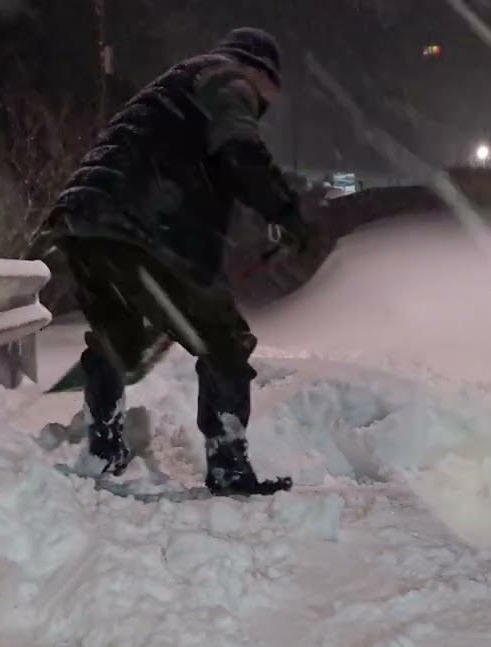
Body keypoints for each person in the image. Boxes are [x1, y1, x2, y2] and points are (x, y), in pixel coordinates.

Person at [37, 28, 316, 497]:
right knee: (224, 341)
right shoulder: (229, 80)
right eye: (270, 92)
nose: (266, 104)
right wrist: (287, 212)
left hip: (82, 221)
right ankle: (228, 467)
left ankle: (103, 449)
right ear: (260, 72)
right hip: (141, 224)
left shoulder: (181, 83)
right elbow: (240, 150)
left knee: (117, 338)